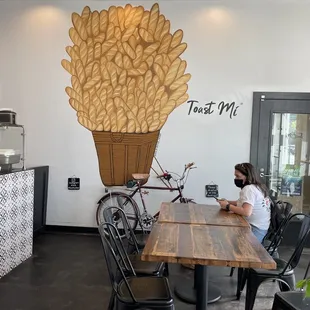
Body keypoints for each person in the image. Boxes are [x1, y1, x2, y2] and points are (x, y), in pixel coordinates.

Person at [217, 163, 271, 243]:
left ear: (247, 176)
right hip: (262, 227)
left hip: (254, 229)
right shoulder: (257, 186)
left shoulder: (249, 189)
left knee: (225, 239)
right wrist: (227, 202)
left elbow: (246, 212)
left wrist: (228, 206)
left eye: (238, 176)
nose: (235, 179)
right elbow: (243, 203)